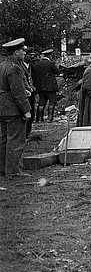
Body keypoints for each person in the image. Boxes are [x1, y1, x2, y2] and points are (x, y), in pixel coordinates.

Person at [0, 38, 33, 179]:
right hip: (13, 110)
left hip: (3, 108)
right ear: (16, 51)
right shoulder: (15, 67)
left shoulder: (3, 65)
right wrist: (26, 111)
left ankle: (3, 169)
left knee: (3, 140)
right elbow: (18, 93)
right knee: (16, 140)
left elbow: (5, 87)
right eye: (22, 51)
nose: (24, 53)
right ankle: (13, 171)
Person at [29, 48, 61, 123]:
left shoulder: (37, 65)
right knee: (52, 101)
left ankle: (39, 119)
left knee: (41, 102)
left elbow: (34, 76)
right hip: (50, 87)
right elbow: (58, 72)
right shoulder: (50, 63)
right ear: (50, 55)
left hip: (40, 87)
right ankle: (50, 118)